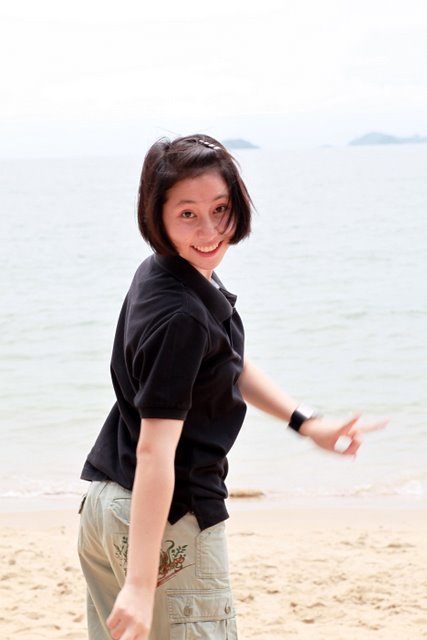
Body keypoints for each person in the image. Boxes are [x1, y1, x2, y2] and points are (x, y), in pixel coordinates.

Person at [78, 134, 385, 640]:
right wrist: (140, 582)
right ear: (157, 215)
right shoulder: (182, 315)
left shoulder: (167, 273)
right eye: (188, 214)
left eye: (220, 209)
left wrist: (306, 422)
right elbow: (156, 452)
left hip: (106, 506)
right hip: (165, 521)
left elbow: (228, 361)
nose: (209, 230)